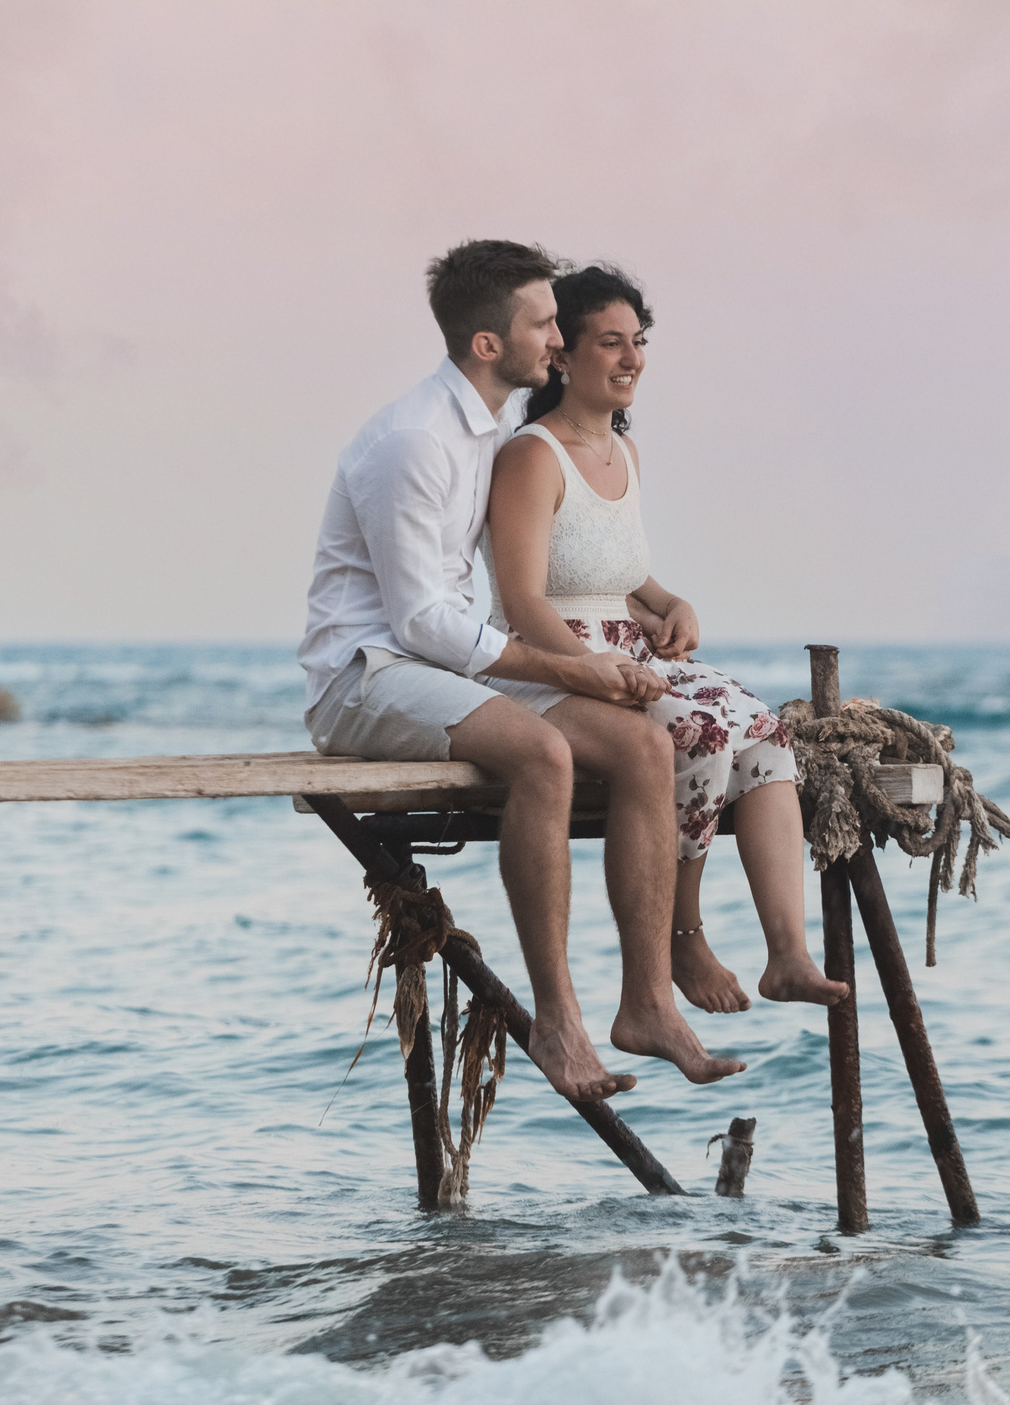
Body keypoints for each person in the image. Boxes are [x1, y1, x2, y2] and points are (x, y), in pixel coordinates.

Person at [299, 240, 745, 1100]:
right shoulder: (413, 443)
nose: (559, 335)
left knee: (646, 748)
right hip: (365, 675)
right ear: (488, 345)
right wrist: (573, 670)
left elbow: (516, 586)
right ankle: (558, 1022)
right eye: (545, 322)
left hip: (447, 666)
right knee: (546, 754)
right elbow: (421, 621)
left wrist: (639, 621)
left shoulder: (495, 427)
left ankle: (647, 999)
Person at [482, 265, 848, 1016]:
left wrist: (671, 601)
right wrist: (591, 666)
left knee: (768, 733)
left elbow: (626, 576)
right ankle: (684, 933)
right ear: (562, 355)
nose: (632, 359)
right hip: (556, 662)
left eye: (638, 342)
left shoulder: (624, 452)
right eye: (611, 343)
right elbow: (521, 599)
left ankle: (788, 954)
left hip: (632, 652)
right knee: (703, 729)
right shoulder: (531, 455)